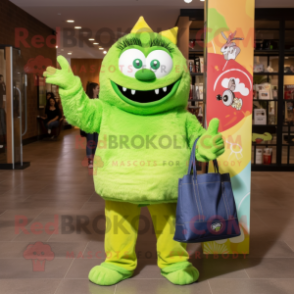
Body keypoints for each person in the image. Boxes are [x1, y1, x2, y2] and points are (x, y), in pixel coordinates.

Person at [83, 82, 99, 168]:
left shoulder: (100, 99)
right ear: (93, 89)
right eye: (97, 88)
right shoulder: (87, 100)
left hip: (97, 124)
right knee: (90, 143)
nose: (98, 90)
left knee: (96, 143)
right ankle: (90, 161)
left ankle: (94, 160)